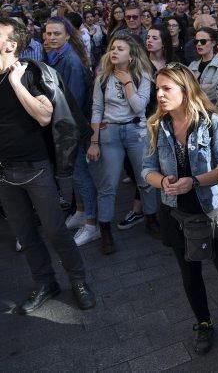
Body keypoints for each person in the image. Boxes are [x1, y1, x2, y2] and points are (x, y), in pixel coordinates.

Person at [142, 63, 218, 355]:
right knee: (189, 273)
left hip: (212, 209)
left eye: (167, 88)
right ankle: (203, 323)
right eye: (157, 89)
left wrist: (194, 182)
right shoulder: (156, 124)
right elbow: (146, 169)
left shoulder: (211, 122)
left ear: (185, 90)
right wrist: (163, 181)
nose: (160, 95)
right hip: (175, 212)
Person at [0, 17, 96, 314]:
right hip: (4, 172)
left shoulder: (29, 73)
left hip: (36, 168)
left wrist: (16, 85)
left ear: (10, 44)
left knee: (55, 231)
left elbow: (44, 116)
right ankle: (44, 282)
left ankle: (78, 280)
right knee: (25, 234)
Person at [87, 33, 159, 254]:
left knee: (145, 179)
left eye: (120, 48)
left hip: (136, 131)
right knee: (108, 185)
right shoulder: (102, 78)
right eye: (112, 48)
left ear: (131, 54)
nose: (114, 52)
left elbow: (138, 107)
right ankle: (105, 229)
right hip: (109, 133)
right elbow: (97, 110)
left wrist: (127, 80)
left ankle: (151, 219)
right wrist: (94, 141)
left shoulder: (143, 76)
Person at [43, 16, 99, 246]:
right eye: (48, 33)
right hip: (65, 125)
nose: (52, 37)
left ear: (67, 35)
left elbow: (72, 103)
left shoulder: (72, 62)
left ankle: (92, 224)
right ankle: (80, 211)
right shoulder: (57, 55)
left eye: (57, 33)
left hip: (72, 127)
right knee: (75, 175)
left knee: (80, 175)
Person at [188, 27, 218, 105]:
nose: (199, 44)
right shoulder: (193, 65)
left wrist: (192, 87)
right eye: (196, 41)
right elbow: (183, 87)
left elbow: (214, 92)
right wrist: (204, 87)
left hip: (212, 109)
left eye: (203, 41)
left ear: (213, 43)